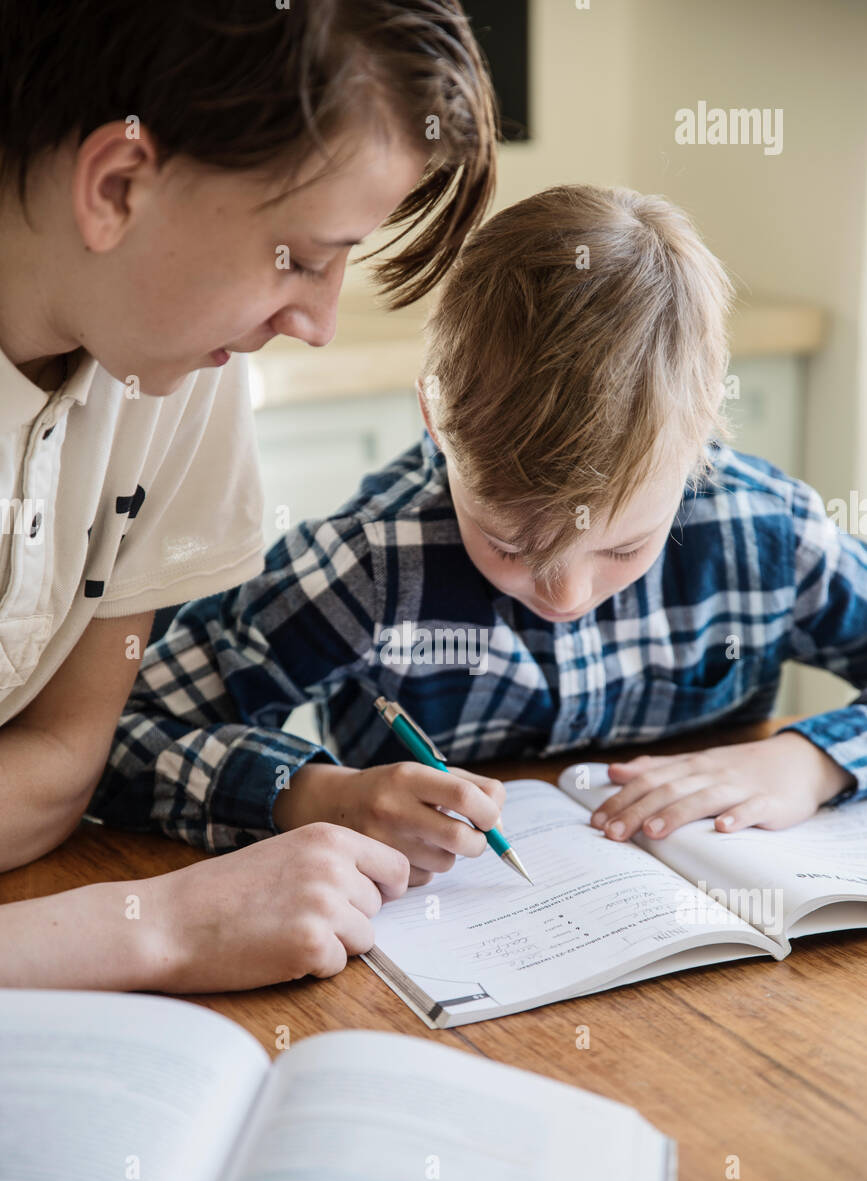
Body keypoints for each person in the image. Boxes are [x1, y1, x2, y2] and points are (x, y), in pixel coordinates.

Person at [92, 185, 867, 893]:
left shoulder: (764, 533)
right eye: (510, 544)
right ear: (435, 420)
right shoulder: (372, 564)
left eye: (623, 549)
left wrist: (812, 761)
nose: (565, 595)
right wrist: (316, 794)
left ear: (701, 433)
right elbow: (115, 740)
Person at [0, 0, 499, 991]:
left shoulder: (172, 372)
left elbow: (63, 760)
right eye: (303, 258)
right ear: (118, 186)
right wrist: (163, 926)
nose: (318, 320)